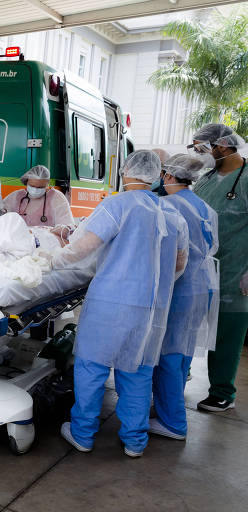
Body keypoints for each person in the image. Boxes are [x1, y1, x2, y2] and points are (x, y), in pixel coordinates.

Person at [48, 150, 187, 458]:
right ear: (154, 175)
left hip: (112, 303)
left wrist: (48, 261)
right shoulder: (173, 214)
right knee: (137, 371)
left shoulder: (116, 205)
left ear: (126, 170)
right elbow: (180, 264)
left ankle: (82, 433)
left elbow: (81, 249)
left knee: (92, 366)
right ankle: (135, 441)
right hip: (152, 309)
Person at [151, 154, 219, 440]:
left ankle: (173, 423)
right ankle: (169, 408)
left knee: (168, 353)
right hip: (202, 285)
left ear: (167, 175)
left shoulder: (166, 206)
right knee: (182, 352)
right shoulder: (205, 207)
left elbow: (163, 252)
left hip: (181, 286)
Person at [191, 123, 248, 412]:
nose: (200, 155)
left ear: (223, 146)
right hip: (199, 269)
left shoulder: (246, 178)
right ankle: (179, 373)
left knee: (226, 333)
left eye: (203, 148)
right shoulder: (205, 179)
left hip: (235, 273)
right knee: (189, 324)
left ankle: (223, 391)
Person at [3, 165, 75, 228]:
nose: (35, 190)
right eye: (32, 186)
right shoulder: (17, 196)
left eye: (40, 187)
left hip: (45, 241)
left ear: (47, 184)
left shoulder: (56, 198)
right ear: (26, 182)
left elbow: (67, 225)